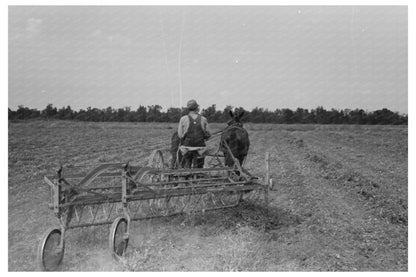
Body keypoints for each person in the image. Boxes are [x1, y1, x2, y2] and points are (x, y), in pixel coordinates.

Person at [177, 99, 210, 168]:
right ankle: (199, 171)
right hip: (200, 148)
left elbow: (180, 135)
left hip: (186, 147)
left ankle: (187, 168)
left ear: (188, 109)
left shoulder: (183, 119)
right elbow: (208, 134)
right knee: (200, 165)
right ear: (197, 108)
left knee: (186, 161)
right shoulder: (203, 119)